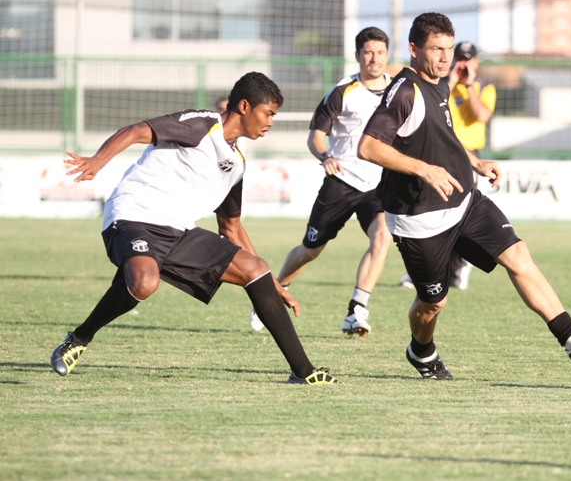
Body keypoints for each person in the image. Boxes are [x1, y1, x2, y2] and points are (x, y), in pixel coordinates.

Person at [358, 13, 571, 379]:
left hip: (464, 201)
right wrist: (425, 170)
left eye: (449, 49)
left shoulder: (440, 83)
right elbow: (368, 147)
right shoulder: (404, 91)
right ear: (414, 49)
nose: (445, 57)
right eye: (437, 49)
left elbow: (441, 138)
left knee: (518, 255)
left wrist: (473, 161)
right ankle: (421, 352)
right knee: (433, 303)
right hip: (420, 220)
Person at [49, 72, 338, 385]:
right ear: (244, 106)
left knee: (254, 267)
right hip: (135, 215)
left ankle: (303, 372)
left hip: (179, 232)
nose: (271, 121)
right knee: (145, 282)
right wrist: (98, 161)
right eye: (268, 113)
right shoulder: (201, 124)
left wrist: (270, 283)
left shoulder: (236, 163)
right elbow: (135, 131)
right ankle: (78, 339)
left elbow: (230, 226)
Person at [249, 27, 393, 337]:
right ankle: (272, 293)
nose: (375, 58)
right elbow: (315, 135)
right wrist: (326, 156)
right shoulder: (342, 91)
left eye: (380, 52)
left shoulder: (398, 90)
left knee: (383, 236)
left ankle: (357, 309)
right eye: (368, 52)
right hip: (341, 180)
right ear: (357, 56)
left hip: (379, 184)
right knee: (311, 249)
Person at [399, 40, 497, 291]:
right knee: (428, 212)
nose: (462, 64)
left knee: (459, 213)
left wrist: (468, 85)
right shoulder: (442, 86)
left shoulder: (485, 88)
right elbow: (435, 104)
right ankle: (423, 271)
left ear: (475, 62)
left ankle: (460, 266)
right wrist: (452, 81)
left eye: (468, 59)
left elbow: (481, 115)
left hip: (469, 156)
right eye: (459, 59)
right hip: (436, 153)